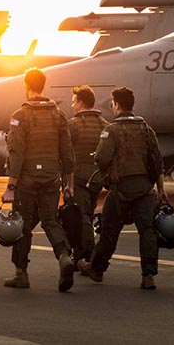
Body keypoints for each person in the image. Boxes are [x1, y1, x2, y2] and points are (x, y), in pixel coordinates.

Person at [77, 87, 167, 290]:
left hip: (121, 190)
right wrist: (161, 190)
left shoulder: (112, 130)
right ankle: (148, 276)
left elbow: (101, 158)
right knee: (147, 231)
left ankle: (97, 269)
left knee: (109, 231)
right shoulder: (145, 128)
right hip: (145, 190)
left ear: (116, 105)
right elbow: (157, 160)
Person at [2, 67, 76, 292]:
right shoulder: (58, 115)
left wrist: (11, 185)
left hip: (27, 179)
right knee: (50, 220)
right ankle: (64, 256)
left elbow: (16, 153)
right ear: (43, 86)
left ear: (26, 86)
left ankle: (21, 273)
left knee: (22, 225)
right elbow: (67, 152)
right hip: (52, 178)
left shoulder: (20, 116)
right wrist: (69, 184)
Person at [68, 85, 109, 265]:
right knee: (88, 213)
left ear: (81, 103)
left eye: (74, 102)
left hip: (78, 177)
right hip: (97, 178)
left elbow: (65, 152)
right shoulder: (105, 125)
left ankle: (87, 254)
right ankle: (79, 254)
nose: (72, 106)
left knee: (81, 215)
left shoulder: (73, 125)